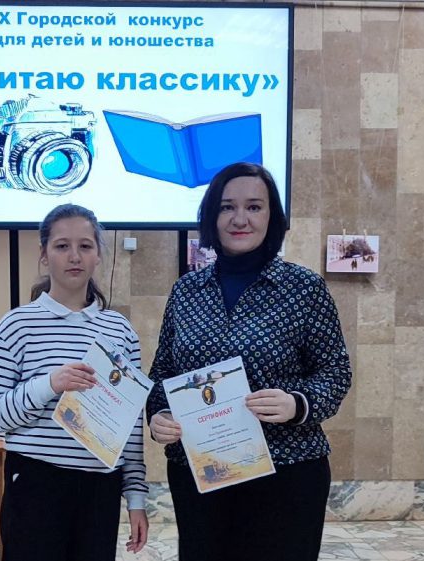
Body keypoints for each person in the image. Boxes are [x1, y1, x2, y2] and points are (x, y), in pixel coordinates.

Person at [146, 162, 352, 561]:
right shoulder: (186, 291)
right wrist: (160, 416)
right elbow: (164, 373)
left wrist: (297, 403)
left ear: (272, 216)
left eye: (254, 207)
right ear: (212, 215)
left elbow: (335, 372)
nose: (240, 218)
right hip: (202, 473)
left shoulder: (304, 288)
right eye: (227, 207)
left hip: (286, 471)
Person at [0, 204, 149, 561]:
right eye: (61, 246)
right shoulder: (15, 326)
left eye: (85, 246)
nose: (74, 256)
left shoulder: (120, 331)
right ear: (44, 254)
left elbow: (129, 426)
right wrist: (49, 384)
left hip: (100, 489)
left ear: (98, 255)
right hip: (36, 484)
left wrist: (135, 497)